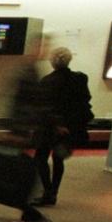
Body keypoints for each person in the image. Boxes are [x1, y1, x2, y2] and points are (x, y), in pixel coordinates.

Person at [32, 47, 93, 206]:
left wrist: (57, 123)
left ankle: (47, 191)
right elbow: (84, 100)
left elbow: (46, 106)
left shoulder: (48, 81)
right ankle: (54, 192)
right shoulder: (80, 79)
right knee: (58, 159)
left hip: (50, 126)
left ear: (52, 61)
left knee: (40, 158)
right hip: (70, 126)